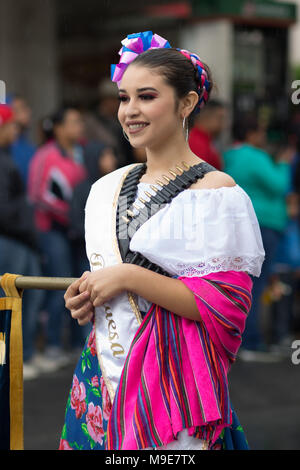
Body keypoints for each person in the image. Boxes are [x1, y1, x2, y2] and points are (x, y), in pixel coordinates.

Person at [59, 31, 265, 451]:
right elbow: (114, 270)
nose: (130, 111)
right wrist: (91, 289)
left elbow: (226, 304)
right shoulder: (106, 187)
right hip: (101, 374)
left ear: (186, 103)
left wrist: (128, 277)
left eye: (146, 96)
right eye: (123, 97)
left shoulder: (216, 193)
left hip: (172, 386)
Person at [223, 114, 291, 361]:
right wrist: (283, 163)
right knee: (256, 283)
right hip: (264, 225)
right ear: (251, 134)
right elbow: (278, 185)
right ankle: (251, 341)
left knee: (244, 282)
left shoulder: (230, 156)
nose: (263, 136)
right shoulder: (254, 156)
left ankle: (242, 340)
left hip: (241, 225)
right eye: (260, 131)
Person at [28, 106, 87, 371]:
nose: (79, 127)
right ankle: (52, 345)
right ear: (59, 128)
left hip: (77, 230)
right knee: (59, 284)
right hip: (52, 229)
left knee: (80, 283)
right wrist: (68, 214)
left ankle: (76, 344)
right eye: (74, 122)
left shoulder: (81, 153)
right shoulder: (46, 155)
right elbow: (39, 195)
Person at [0, 104, 43, 380]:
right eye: (11, 126)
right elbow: (5, 210)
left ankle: (17, 359)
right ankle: (12, 361)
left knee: (21, 300)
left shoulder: (6, 157)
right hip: (10, 239)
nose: (15, 132)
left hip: (16, 238)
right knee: (11, 303)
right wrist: (28, 233)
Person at [68, 141, 118, 349]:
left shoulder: (118, 186)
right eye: (105, 156)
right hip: (86, 255)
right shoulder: (82, 189)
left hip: (113, 258)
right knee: (87, 298)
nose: (112, 160)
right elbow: (75, 223)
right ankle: (88, 345)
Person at [188, 99, 227, 170]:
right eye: (220, 118)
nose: (223, 124)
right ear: (206, 116)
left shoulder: (203, 140)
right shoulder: (197, 143)